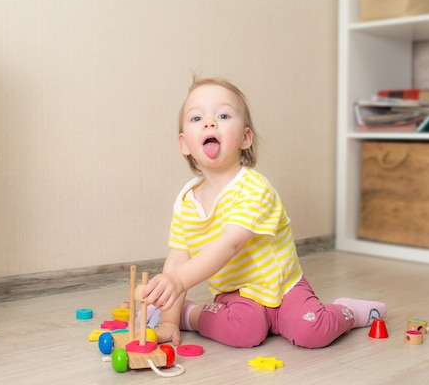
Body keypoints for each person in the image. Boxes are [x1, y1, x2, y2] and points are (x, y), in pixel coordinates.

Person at [140, 76, 386, 348]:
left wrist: (176, 280)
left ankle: (348, 312)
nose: (210, 122)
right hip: (236, 295)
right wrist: (168, 322)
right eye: (197, 118)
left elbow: (230, 243)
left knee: (312, 331)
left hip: (284, 290)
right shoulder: (186, 203)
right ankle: (188, 315)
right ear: (184, 144)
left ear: (245, 138)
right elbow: (178, 260)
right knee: (245, 332)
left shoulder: (255, 189)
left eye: (223, 115)